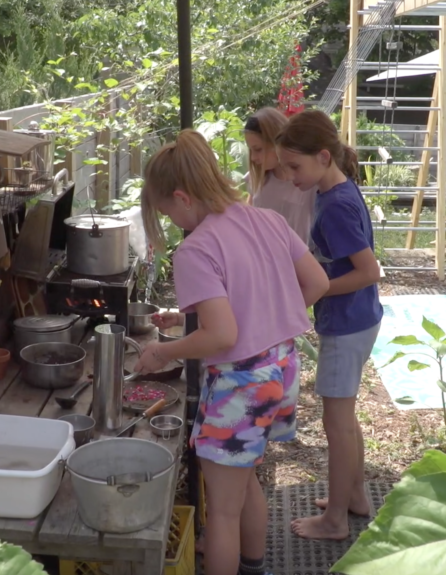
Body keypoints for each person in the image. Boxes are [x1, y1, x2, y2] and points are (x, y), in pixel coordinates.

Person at [134, 129, 329, 575]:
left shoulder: (195, 249)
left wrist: (163, 352)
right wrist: (263, 318)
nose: (172, 223)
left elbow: (221, 336)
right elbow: (315, 283)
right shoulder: (266, 219)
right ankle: (254, 567)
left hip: (240, 385)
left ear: (182, 198)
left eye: (168, 214)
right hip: (281, 367)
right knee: (247, 482)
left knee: (221, 512)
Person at [275, 109, 384, 541]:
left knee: (336, 424)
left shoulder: (336, 203)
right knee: (346, 420)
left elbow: (369, 271)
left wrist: (315, 290)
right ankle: (354, 496)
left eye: (294, 166)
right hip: (355, 319)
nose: (289, 176)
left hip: (347, 324)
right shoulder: (331, 190)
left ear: (323, 157)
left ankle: (336, 520)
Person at [244, 107, 317, 243]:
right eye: (250, 150)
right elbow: (248, 220)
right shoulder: (256, 179)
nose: (253, 157)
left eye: (258, 149)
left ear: (276, 142)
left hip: (300, 262)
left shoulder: (308, 181)